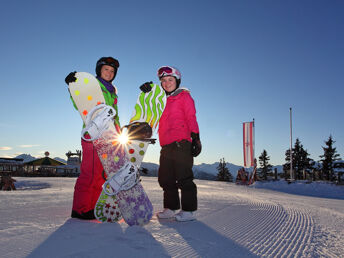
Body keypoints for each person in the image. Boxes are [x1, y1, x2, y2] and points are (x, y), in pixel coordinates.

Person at [140, 66, 202, 221]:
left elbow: (191, 117)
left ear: (177, 81)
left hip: (182, 142)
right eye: (163, 81)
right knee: (165, 178)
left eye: (170, 80)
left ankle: (188, 210)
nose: (167, 83)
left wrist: (196, 137)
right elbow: (148, 108)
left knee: (183, 177)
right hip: (166, 144)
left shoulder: (184, 96)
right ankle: (171, 207)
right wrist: (147, 92)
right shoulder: (160, 101)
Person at [65, 57, 120, 220]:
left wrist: (118, 133)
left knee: (101, 174)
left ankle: (93, 207)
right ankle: (81, 209)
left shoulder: (112, 91)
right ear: (99, 71)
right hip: (93, 135)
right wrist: (72, 87)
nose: (109, 73)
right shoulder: (93, 86)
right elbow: (79, 103)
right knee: (90, 173)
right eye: (106, 70)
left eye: (112, 71)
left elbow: (115, 116)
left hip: (109, 137)